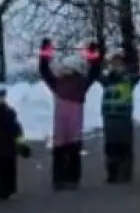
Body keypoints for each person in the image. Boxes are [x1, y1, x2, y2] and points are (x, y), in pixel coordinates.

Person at [37, 40, 99, 189]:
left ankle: (63, 179)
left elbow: (44, 71)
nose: (66, 74)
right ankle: (68, 179)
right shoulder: (77, 85)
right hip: (69, 129)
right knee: (69, 151)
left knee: (65, 151)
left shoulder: (62, 84)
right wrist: (93, 54)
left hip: (64, 129)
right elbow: (94, 71)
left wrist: (45, 53)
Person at [97, 45, 140, 183]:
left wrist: (132, 55)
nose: (116, 66)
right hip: (110, 118)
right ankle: (112, 173)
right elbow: (96, 74)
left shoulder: (128, 79)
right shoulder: (107, 79)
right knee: (111, 147)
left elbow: (138, 73)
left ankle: (126, 172)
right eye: (113, 63)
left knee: (125, 146)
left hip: (124, 118)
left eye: (119, 63)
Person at [0, 85, 31, 200]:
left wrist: (21, 144)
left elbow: (16, 129)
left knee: (9, 169)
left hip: (9, 146)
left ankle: (9, 190)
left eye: (2, 97)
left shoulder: (9, 113)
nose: (0, 100)